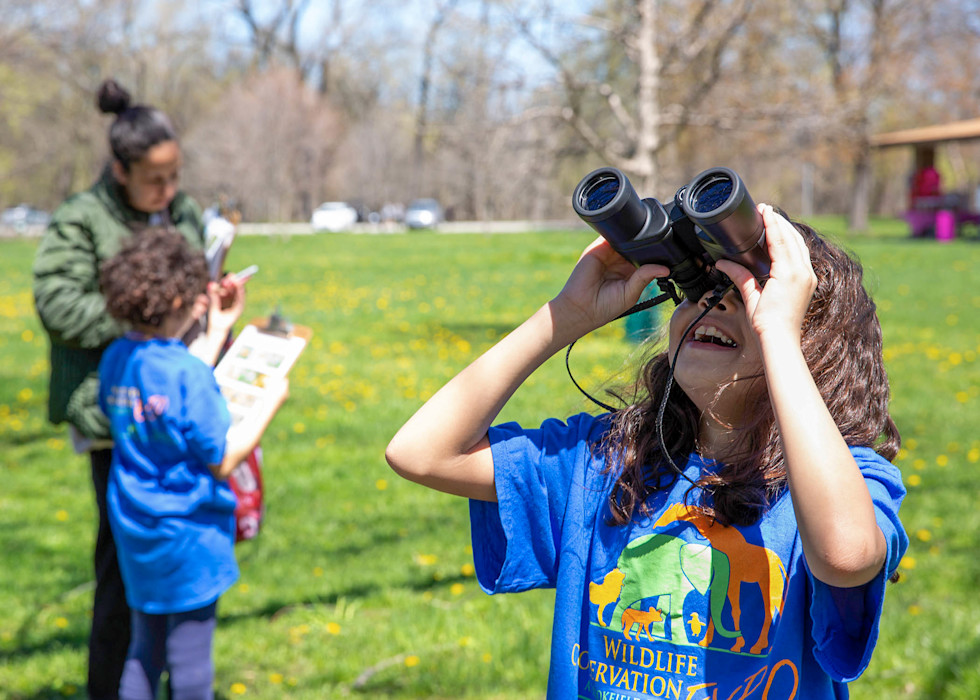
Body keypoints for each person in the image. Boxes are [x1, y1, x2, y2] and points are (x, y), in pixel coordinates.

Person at [386, 205, 908, 698]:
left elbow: (844, 555)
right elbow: (421, 452)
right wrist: (566, 315)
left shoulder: (848, 482)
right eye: (699, 289)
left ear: (815, 345)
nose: (714, 301)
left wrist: (777, 334)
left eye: (751, 293)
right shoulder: (606, 462)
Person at [31, 78, 231, 699]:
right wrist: (143, 316)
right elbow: (57, 303)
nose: (169, 192)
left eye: (175, 177)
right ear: (120, 169)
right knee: (122, 573)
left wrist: (207, 297)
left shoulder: (182, 211)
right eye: (155, 180)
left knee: (178, 561)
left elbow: (195, 268)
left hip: (182, 408)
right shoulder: (80, 220)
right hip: (113, 414)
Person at [97, 227, 288, 699]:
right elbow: (221, 460)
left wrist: (221, 328)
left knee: (145, 648)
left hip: (137, 526)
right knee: (190, 660)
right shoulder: (183, 373)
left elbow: (171, 378)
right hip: (189, 533)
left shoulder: (119, 357)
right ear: (181, 300)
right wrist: (270, 402)